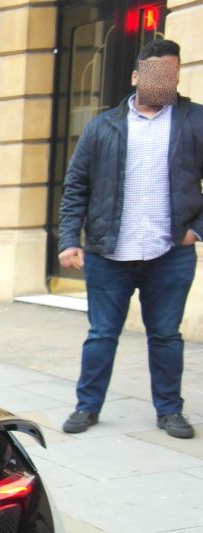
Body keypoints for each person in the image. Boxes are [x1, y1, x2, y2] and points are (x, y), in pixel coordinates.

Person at [57, 38, 198, 439]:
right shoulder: (102, 126)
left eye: (169, 73)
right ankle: (87, 407)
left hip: (170, 253)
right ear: (136, 76)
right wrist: (70, 238)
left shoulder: (195, 121)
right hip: (107, 252)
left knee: (166, 336)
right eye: (153, 73)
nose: (161, 81)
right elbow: (76, 186)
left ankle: (170, 411)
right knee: (101, 334)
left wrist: (197, 230)